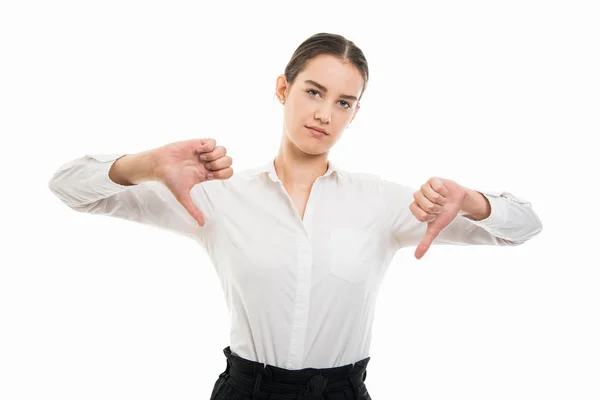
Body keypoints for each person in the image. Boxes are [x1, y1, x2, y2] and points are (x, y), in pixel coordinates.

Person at [48, 32, 543, 399]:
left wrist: (474, 202)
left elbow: (524, 226)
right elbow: (69, 189)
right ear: (283, 88)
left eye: (343, 102)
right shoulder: (216, 196)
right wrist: (147, 164)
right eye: (313, 91)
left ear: (354, 113)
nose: (325, 113)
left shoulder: (384, 204)